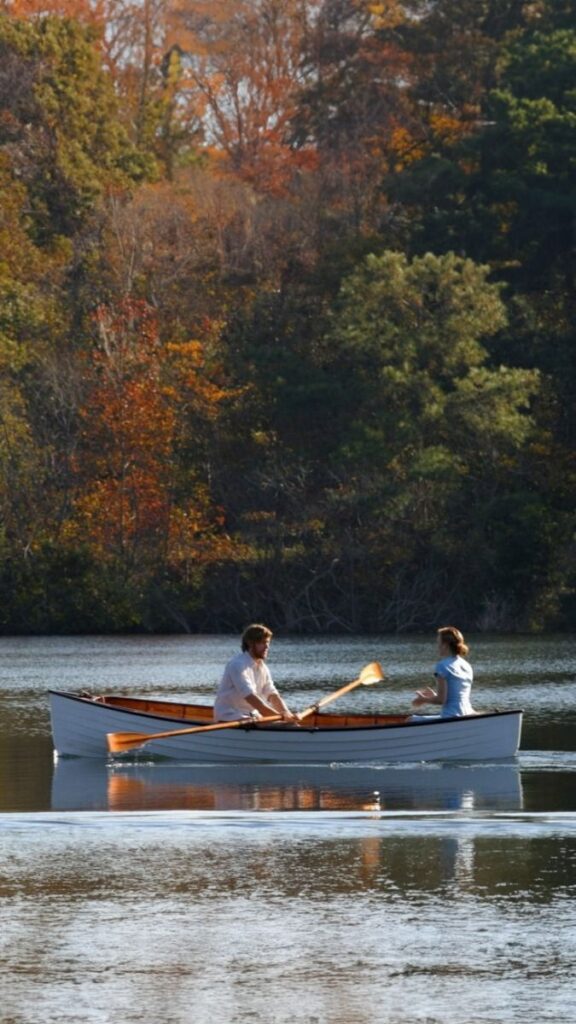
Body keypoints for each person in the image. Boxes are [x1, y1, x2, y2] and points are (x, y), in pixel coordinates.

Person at [213, 624, 299, 724]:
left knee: (290, 725)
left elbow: (272, 694)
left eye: (268, 642)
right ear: (250, 643)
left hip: (253, 715)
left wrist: (286, 713)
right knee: (283, 726)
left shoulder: (263, 667)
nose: (267, 646)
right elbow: (251, 697)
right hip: (230, 716)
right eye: (262, 643)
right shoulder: (237, 665)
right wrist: (280, 718)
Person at [412, 626, 475, 718]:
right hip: (468, 714)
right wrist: (434, 696)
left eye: (438, 643)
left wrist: (423, 700)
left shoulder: (442, 666)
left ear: (445, 645)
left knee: (410, 720)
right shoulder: (467, 666)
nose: (437, 647)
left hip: (450, 716)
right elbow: (455, 696)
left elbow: (441, 700)